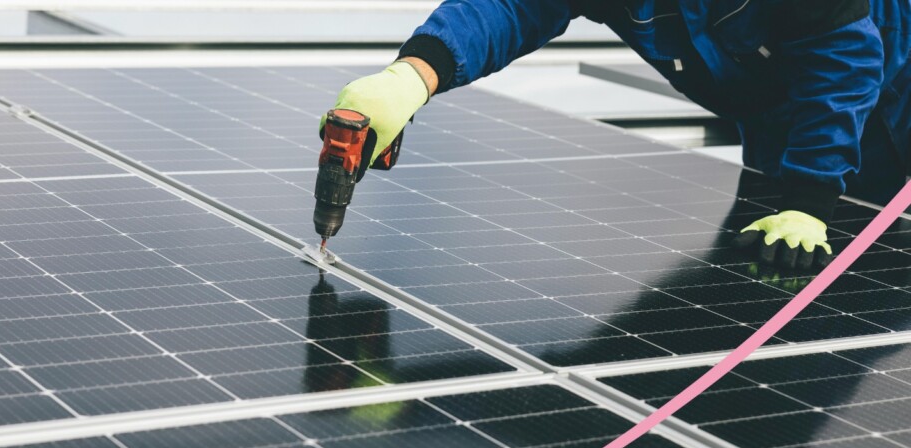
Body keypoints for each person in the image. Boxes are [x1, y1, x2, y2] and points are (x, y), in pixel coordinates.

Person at [323, 0, 911, 269]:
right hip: (768, 113)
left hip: (884, 104)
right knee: (755, 272)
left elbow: (845, 60)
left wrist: (808, 199)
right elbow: (509, 7)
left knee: (862, 277)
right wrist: (413, 75)